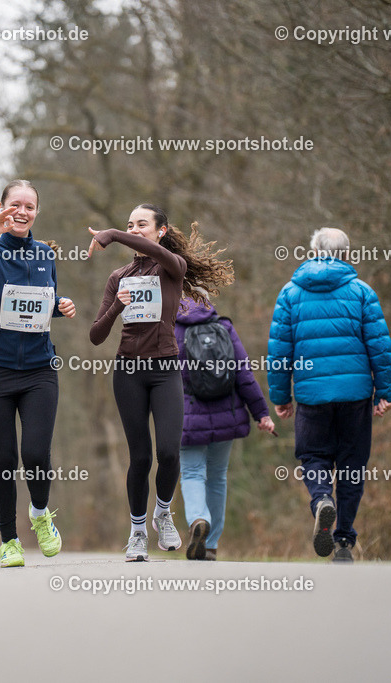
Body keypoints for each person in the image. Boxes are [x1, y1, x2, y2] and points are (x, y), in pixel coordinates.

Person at [88, 207, 234, 561]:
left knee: (169, 452)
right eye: (129, 225)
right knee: (140, 457)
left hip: (166, 369)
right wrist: (116, 308)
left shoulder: (173, 268)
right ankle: (137, 532)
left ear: (161, 231)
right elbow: (95, 336)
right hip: (128, 372)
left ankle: (162, 513)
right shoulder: (118, 276)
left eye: (141, 225)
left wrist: (114, 234)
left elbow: (159, 255)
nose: (134, 229)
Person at [0, 179, 76, 568]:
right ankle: (9, 541)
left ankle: (40, 515)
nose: (22, 211)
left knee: (36, 454)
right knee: (5, 459)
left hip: (39, 370)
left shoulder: (45, 254)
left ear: (37, 212)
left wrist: (60, 306)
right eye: (15, 205)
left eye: (29, 206)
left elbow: (39, 304)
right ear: (2, 208)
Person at [267, 227, 391, 563]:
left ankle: (323, 498)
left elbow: (279, 351)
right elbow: (379, 347)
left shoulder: (291, 294)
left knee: (313, 457)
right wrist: (385, 391)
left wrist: (281, 396)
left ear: (313, 250)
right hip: (355, 396)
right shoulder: (362, 292)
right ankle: (343, 541)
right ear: (347, 252)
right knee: (352, 467)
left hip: (312, 395)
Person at [174, 298, 276, 561]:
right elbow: (244, 374)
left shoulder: (172, 330)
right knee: (217, 477)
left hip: (187, 417)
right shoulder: (224, 327)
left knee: (192, 473)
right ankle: (211, 544)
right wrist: (261, 413)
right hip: (226, 416)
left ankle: (198, 519)